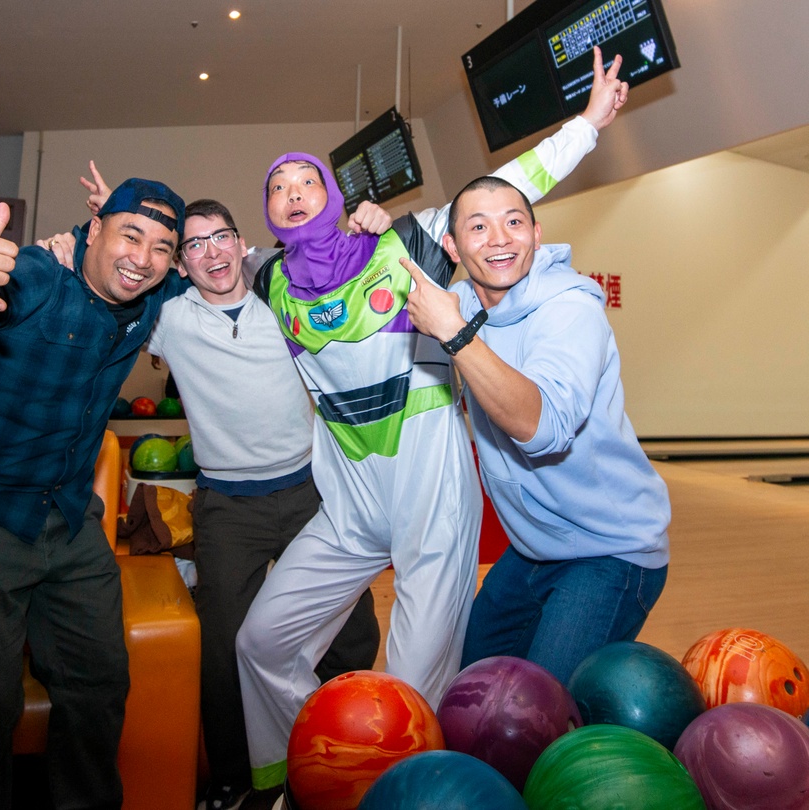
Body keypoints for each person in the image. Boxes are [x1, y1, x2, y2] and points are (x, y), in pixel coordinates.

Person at [236, 46, 629, 792]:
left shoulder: (405, 241)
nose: (290, 194)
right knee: (260, 640)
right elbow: (206, 262)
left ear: (328, 191)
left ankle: (414, 790)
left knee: (411, 685)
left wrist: (586, 124)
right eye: (277, 187)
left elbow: (503, 193)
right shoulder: (270, 276)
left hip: (431, 499)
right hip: (350, 507)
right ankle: (304, 772)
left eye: (303, 182)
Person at [48, 169, 387, 810]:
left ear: (240, 242)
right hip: (227, 505)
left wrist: (366, 224)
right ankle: (237, 779)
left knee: (349, 632)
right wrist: (82, 239)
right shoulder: (168, 318)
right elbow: (108, 287)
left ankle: (352, 754)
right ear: (182, 262)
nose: (211, 252)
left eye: (220, 237)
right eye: (194, 244)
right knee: (226, 643)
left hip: (309, 493)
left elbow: (337, 262)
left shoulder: (282, 298)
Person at [0, 176, 188, 810]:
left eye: (162, 246)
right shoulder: (32, 274)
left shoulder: (152, 294)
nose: (143, 257)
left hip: (70, 521)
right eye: (129, 234)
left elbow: (225, 270)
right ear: (95, 229)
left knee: (99, 689)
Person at [402, 175, 670, 685]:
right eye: (478, 226)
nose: (500, 238)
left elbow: (543, 427)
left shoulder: (570, 309)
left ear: (536, 233)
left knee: (540, 718)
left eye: (513, 221)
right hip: (533, 549)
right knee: (471, 689)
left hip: (610, 551)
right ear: (452, 246)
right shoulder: (461, 300)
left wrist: (456, 336)